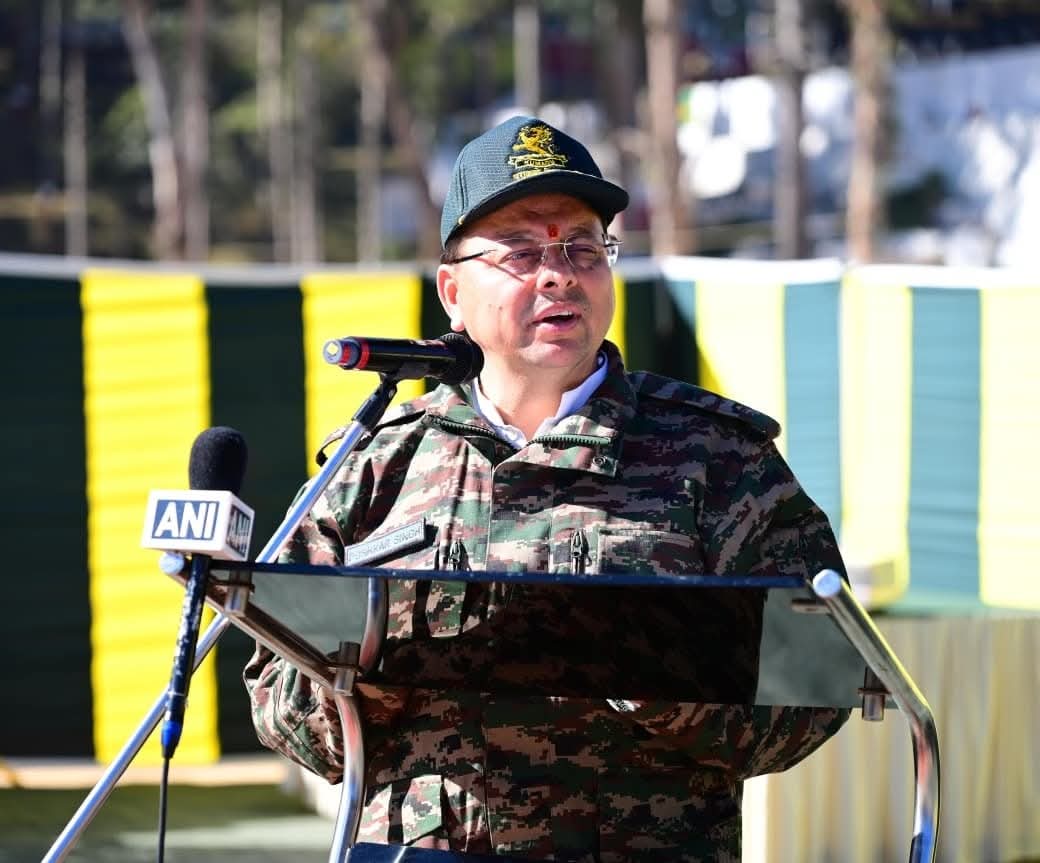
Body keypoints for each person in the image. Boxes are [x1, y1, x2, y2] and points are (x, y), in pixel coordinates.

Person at [244, 115, 848, 862]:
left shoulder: (718, 458)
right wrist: (383, 664)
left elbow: (817, 684)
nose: (558, 274)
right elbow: (280, 710)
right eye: (522, 252)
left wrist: (652, 675)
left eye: (582, 248)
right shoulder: (373, 465)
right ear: (452, 292)